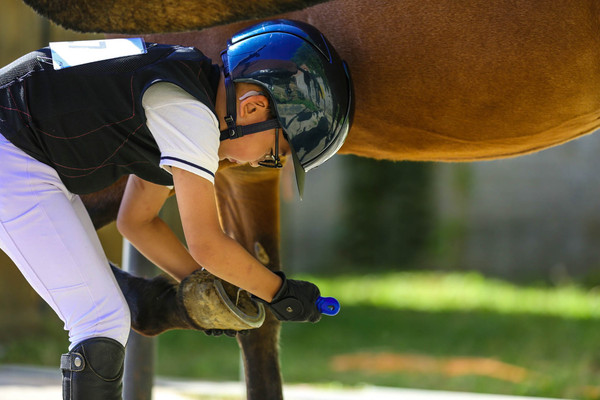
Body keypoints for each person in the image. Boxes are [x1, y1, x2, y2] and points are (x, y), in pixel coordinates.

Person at [0, 19, 353, 400]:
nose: (262, 165)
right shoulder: (192, 117)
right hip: (15, 153)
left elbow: (137, 221)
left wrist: (212, 289)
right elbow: (207, 243)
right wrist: (279, 291)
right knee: (101, 319)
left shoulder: (187, 93)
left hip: (25, 155)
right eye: (274, 153)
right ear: (253, 107)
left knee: (104, 315)